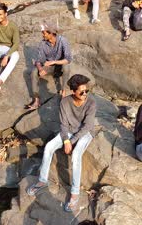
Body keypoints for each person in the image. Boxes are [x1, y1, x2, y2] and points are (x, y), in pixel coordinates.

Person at [27, 74, 95, 212]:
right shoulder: (65, 102)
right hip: (68, 132)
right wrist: (65, 140)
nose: (85, 94)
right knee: (48, 147)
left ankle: (75, 193)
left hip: (84, 133)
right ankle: (42, 180)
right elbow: (63, 124)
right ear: (73, 91)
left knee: (76, 155)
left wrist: (71, 141)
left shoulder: (91, 103)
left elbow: (87, 126)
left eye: (86, 90)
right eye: (81, 91)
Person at [25, 21, 72, 110]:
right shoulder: (43, 43)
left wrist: (53, 62)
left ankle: (63, 91)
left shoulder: (63, 41)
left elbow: (68, 59)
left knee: (66, 67)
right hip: (49, 68)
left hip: (59, 66)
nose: (43, 35)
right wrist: (40, 69)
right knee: (34, 71)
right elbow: (38, 60)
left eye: (44, 33)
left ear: (51, 33)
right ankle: (36, 99)